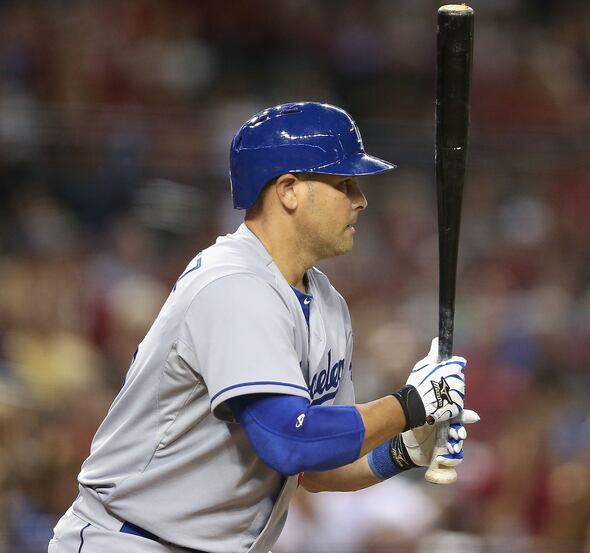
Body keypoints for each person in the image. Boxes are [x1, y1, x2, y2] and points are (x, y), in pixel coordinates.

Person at [49, 102, 477, 553]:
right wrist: (409, 404)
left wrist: (403, 450)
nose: (361, 199)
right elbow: (289, 440)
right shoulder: (233, 283)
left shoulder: (328, 304)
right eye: (343, 183)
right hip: (128, 541)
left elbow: (316, 467)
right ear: (288, 190)